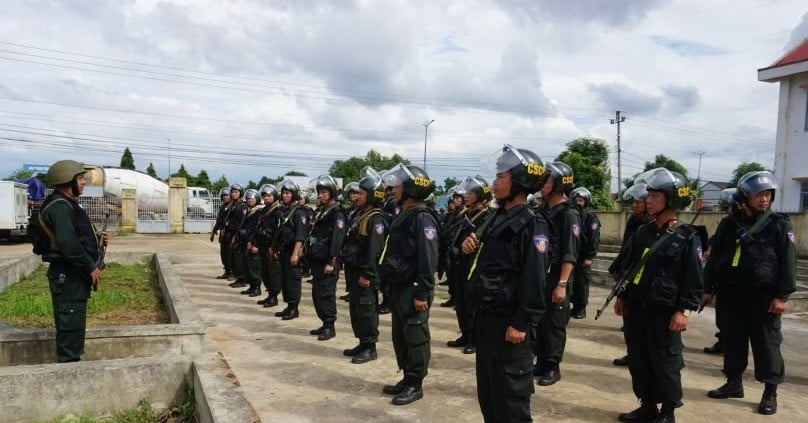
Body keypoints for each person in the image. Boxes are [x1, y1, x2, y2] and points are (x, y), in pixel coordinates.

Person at [462, 145, 549, 422]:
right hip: (487, 319)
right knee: (489, 394)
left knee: (512, 400)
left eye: (501, 177)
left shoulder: (532, 224)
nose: (494, 183)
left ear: (520, 182)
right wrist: (468, 247)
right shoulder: (496, 217)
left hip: (510, 323)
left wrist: (522, 321)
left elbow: (534, 277)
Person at [702, 171, 796, 416]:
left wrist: (782, 295)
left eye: (767, 195)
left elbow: (788, 262)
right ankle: (734, 383)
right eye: (758, 195)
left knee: (767, 345)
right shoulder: (728, 224)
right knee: (733, 342)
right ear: (745, 197)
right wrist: (707, 287)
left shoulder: (779, 224)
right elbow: (715, 259)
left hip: (763, 297)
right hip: (731, 294)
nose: (764, 199)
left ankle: (769, 392)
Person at [613, 168, 703, 423]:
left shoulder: (687, 237)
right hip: (637, 308)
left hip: (665, 312)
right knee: (640, 360)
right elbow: (631, 267)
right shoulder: (644, 231)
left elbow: (694, 278)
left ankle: (668, 412)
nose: (648, 200)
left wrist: (683, 310)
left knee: (666, 364)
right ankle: (647, 405)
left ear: (671, 200)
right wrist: (623, 295)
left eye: (655, 196)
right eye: (648, 195)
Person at [379, 163, 439, 406]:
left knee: (416, 338)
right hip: (399, 287)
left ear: (411, 189)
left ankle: (416, 383)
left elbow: (428, 259)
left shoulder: (422, 218)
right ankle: (406, 377)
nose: (394, 189)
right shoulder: (403, 214)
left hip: (415, 289)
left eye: (399, 186)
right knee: (401, 336)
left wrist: (423, 291)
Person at [40, 160, 107, 362]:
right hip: (68, 277)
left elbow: (76, 237)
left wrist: (98, 242)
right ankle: (68, 375)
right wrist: (90, 266)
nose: (84, 182)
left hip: (71, 277)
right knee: (70, 334)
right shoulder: (60, 207)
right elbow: (69, 245)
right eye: (80, 178)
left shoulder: (67, 204)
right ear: (67, 181)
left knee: (74, 328)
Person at [534, 161, 580, 387]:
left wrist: (562, 284)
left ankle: (553, 366)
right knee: (540, 323)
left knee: (554, 324)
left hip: (556, 278)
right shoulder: (542, 211)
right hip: (541, 276)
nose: (543, 183)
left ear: (559, 185)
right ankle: (541, 360)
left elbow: (570, 254)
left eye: (547, 180)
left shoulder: (569, 214)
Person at [341, 167, 387, 363]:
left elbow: (375, 251)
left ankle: (370, 346)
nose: (357, 196)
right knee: (356, 310)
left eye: (361, 193)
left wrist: (368, 275)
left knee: (366, 309)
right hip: (354, 270)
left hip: (364, 274)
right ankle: (362, 342)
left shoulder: (376, 218)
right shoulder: (359, 214)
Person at [446, 175, 493, 354]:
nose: (467, 194)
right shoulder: (466, 212)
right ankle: (465, 334)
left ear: (481, 194)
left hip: (474, 265)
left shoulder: (487, 215)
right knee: (461, 302)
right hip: (460, 263)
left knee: (473, 304)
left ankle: (474, 339)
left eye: (471, 192)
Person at [609, 183, 653, 367]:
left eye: (638, 202)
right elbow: (627, 248)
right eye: (634, 202)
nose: (634, 205)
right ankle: (632, 353)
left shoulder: (652, 225)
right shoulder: (634, 221)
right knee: (629, 322)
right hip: (628, 273)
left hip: (646, 279)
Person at [306, 175, 347, 341]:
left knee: (326, 294)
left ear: (332, 193)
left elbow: (337, 238)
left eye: (324, 192)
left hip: (328, 262)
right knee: (317, 294)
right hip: (317, 260)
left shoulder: (337, 213)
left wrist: (332, 261)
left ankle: (330, 326)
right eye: (319, 192)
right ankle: (324, 322)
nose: (320, 195)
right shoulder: (323, 211)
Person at [701, 187, 739, 355]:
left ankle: (730, 345)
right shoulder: (726, 225)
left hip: (741, 282)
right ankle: (723, 341)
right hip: (724, 280)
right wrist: (708, 287)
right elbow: (715, 251)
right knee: (723, 317)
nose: (729, 210)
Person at [270, 179, 310, 320]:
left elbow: (300, 235)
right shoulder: (284, 211)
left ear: (294, 194)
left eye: (288, 193)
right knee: (285, 280)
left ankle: (294, 308)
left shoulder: (299, 212)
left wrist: (295, 254)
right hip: (284, 251)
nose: (285, 195)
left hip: (293, 251)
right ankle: (289, 306)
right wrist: (274, 248)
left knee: (293, 280)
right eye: (283, 193)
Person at [569, 187, 601, 320]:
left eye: (581, 200)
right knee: (572, 283)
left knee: (582, 283)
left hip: (583, 256)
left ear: (586, 202)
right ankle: (574, 307)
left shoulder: (590, 217)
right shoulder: (572, 215)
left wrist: (589, 256)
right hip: (573, 254)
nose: (578, 202)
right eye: (576, 200)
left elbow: (594, 239)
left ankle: (581, 308)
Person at [256, 184, 283, 308]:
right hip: (262, 245)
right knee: (264, 272)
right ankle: (269, 294)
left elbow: (278, 231)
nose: (266, 198)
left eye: (269, 196)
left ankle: (274, 296)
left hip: (271, 246)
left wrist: (275, 247)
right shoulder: (263, 211)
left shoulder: (278, 211)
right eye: (264, 196)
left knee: (273, 273)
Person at [237, 189, 264, 297]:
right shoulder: (249, 210)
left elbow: (258, 229)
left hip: (253, 242)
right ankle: (252, 286)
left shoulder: (259, 211)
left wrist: (255, 243)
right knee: (247, 266)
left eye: (251, 199)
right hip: (245, 241)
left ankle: (257, 287)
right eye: (248, 198)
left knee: (254, 266)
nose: (249, 200)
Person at [226, 184, 249, 288]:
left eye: (236, 192)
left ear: (240, 193)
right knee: (233, 258)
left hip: (238, 235)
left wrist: (237, 235)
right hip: (231, 233)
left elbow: (242, 222)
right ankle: (238, 277)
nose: (233, 194)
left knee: (238, 258)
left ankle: (242, 279)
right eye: (232, 192)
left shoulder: (242, 206)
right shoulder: (233, 205)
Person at [210, 187, 232, 279]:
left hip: (230, 234)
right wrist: (214, 230)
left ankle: (232, 273)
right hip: (223, 235)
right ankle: (227, 271)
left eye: (227, 195)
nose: (225, 197)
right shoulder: (223, 206)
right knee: (224, 254)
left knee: (230, 254)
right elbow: (219, 220)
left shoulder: (233, 206)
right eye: (223, 196)